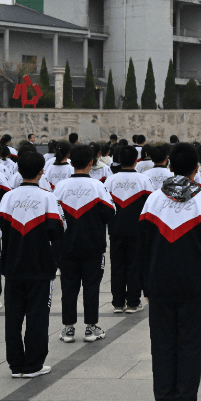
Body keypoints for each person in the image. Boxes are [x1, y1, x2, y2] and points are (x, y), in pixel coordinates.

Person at [138, 142, 201, 401]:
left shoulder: (153, 201)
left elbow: (143, 249)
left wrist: (145, 284)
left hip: (160, 285)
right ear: (196, 168)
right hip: (195, 286)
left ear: (170, 166)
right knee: (190, 344)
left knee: (162, 344)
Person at [0, 150, 65, 377]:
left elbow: (0, 228)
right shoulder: (48, 197)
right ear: (41, 171)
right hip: (39, 266)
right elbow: (56, 230)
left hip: (13, 265)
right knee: (37, 316)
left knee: (13, 317)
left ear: (18, 171)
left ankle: (16, 364)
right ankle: (34, 364)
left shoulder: (8, 197)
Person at [55, 144, 115, 344]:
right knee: (91, 286)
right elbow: (109, 213)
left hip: (67, 246)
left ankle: (68, 328)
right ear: (91, 162)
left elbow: (55, 217)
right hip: (93, 245)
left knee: (68, 287)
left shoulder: (60, 187)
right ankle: (91, 328)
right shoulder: (98, 186)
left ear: (71, 162)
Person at [106, 146, 154, 313]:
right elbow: (150, 207)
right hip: (136, 231)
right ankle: (133, 302)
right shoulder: (144, 181)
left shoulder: (110, 180)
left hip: (116, 230)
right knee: (135, 266)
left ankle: (118, 302)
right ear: (136, 160)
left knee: (117, 266)